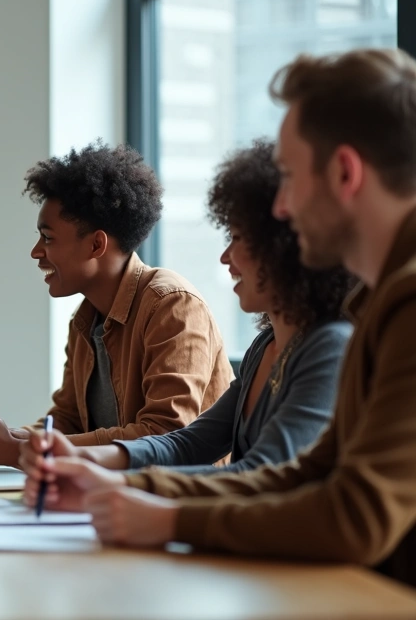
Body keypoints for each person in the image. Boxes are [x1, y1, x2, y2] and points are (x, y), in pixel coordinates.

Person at [23, 48, 416, 586]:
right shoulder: (376, 303)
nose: (281, 208)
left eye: (289, 176)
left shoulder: (401, 305)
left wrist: (167, 518)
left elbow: (356, 514)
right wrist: (127, 489)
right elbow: (304, 475)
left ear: (345, 172)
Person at [18, 139, 353, 476]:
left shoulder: (329, 348)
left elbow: (258, 475)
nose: (225, 257)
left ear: (283, 247)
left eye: (237, 238)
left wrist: (116, 485)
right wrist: (75, 458)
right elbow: (186, 443)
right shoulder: (263, 348)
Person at [0, 141, 234, 467]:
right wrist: (1, 436)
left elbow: (165, 435)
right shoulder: (85, 320)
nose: (36, 252)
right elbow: (67, 421)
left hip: (173, 496)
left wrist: (15, 450)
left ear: (97, 244)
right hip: (108, 491)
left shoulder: (173, 306)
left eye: (48, 238)